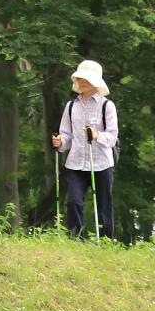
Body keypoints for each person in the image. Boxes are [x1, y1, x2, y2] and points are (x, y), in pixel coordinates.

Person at [53, 60, 117, 239]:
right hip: (75, 163)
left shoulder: (107, 106)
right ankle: (76, 238)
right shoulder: (71, 106)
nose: (81, 80)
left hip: (101, 163)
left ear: (95, 81)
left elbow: (112, 137)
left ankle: (106, 242)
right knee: (73, 202)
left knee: (104, 206)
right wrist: (60, 142)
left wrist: (97, 135)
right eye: (79, 77)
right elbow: (67, 135)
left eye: (86, 78)